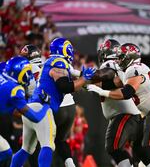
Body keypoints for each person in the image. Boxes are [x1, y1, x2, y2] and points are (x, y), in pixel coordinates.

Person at [11, 38, 96, 167]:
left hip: (30, 107)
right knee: (48, 144)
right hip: (45, 107)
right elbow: (65, 85)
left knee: (26, 148)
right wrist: (85, 79)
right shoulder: (55, 62)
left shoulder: (47, 63)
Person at [87, 43, 150, 167]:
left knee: (146, 147)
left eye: (121, 57)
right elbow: (113, 83)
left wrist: (101, 91)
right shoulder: (130, 69)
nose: (118, 60)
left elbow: (126, 92)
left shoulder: (131, 69)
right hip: (149, 111)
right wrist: (82, 79)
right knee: (141, 149)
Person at [20, 44, 79, 167]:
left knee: (35, 143)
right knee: (60, 140)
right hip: (70, 105)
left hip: (49, 105)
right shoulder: (50, 62)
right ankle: (71, 164)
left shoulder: (25, 68)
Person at [95, 39, 149, 166]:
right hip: (135, 114)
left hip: (125, 114)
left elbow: (107, 74)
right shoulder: (123, 65)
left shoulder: (109, 64)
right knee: (139, 151)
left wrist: (88, 76)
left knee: (113, 147)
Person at [0, 57, 50, 164]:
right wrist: (46, 104)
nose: (30, 76)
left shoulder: (3, 70)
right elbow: (35, 117)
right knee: (6, 153)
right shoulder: (15, 90)